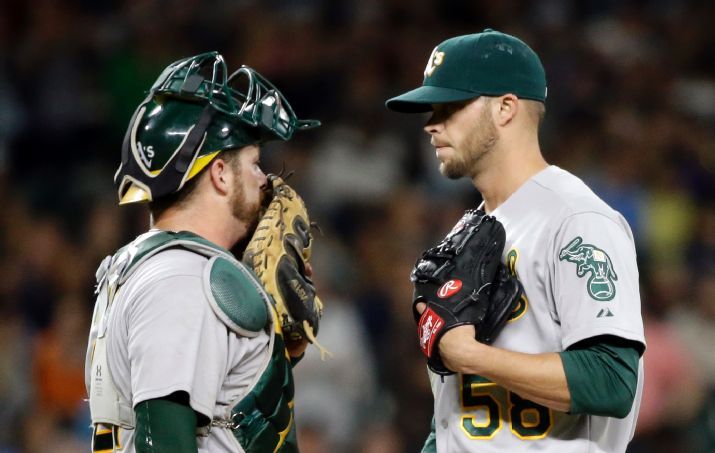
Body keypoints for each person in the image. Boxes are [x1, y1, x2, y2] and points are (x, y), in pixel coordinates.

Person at [386, 29, 645, 452]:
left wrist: (469, 356)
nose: (431, 124)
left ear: (506, 108)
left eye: (450, 106)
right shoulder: (468, 232)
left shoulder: (577, 219)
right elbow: (452, 416)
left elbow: (612, 381)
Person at [84, 51, 320, 452]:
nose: (265, 180)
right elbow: (165, 441)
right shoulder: (182, 279)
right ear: (221, 173)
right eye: (255, 163)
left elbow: (216, 411)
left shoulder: (150, 266)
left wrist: (274, 359)